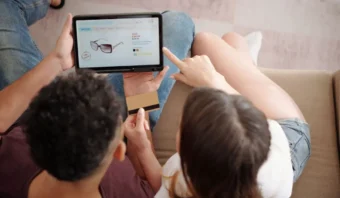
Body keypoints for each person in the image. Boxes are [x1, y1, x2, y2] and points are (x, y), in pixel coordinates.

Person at [0, 0, 195, 197]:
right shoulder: (128, 190)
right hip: (133, 120)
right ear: (119, 151)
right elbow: (155, 185)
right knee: (178, 22)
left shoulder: (13, 150)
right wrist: (139, 101)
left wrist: (57, 60)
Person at [125, 32, 311, 198]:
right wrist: (213, 80)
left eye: (181, 124)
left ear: (184, 150)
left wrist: (142, 145)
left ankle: (244, 61)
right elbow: (257, 118)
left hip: (266, 139)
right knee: (225, 40)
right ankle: (246, 62)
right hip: (288, 140)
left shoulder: (182, 172)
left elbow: (163, 183)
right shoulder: (266, 147)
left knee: (214, 41)